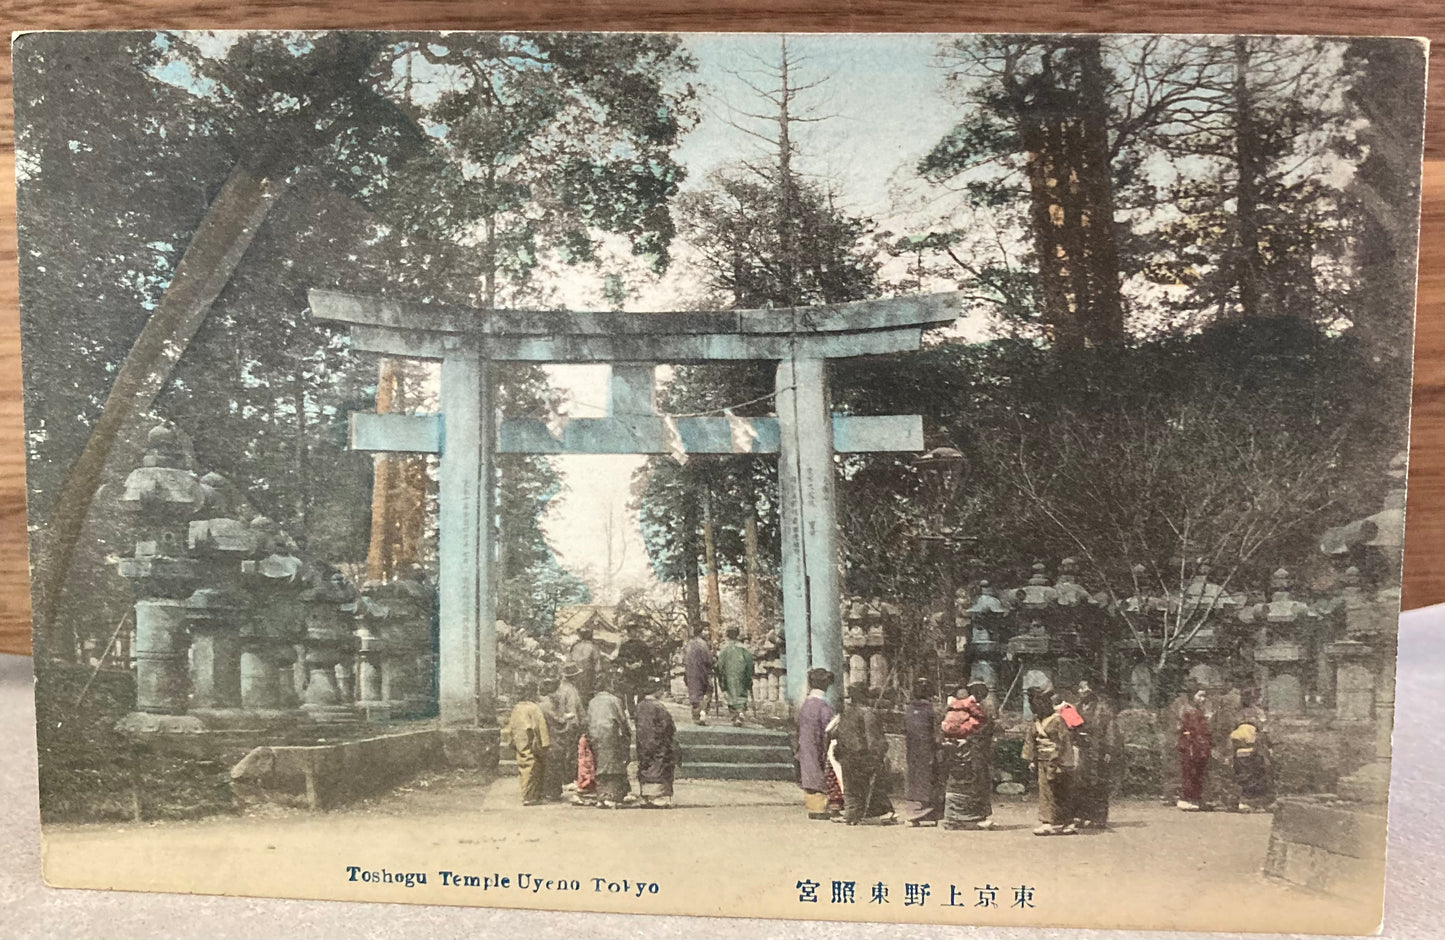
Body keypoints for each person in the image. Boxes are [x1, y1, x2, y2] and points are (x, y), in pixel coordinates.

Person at [834, 683, 896, 825]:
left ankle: (851, 815)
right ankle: (864, 814)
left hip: (846, 755)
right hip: (862, 756)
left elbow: (839, 734)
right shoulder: (867, 713)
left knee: (850, 789)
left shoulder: (846, 713)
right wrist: (879, 754)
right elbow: (873, 738)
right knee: (866, 787)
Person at [1022, 687, 1077, 835]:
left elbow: (1063, 742)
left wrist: (1059, 761)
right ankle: (1047, 821)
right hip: (1042, 759)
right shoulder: (1036, 721)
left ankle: (1067, 822)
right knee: (1045, 791)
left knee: (1060, 791)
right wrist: (1031, 759)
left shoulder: (1057, 720)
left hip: (1058, 760)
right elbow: (1030, 740)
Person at [940, 680, 995, 831]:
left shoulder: (953, 709)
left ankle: (952, 817)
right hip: (974, 752)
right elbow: (984, 730)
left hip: (955, 749)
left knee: (956, 782)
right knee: (975, 783)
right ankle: (974, 818)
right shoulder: (979, 710)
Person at [1074, 679, 1123, 829]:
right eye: (1080, 688)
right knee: (1081, 782)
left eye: (1085, 688)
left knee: (1099, 783)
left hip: (1098, 748)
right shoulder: (1077, 707)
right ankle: (1082, 815)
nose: (1081, 691)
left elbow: (1110, 729)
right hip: (1082, 748)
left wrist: (1109, 749)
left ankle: (1098, 817)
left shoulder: (1102, 708)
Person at [796, 667, 840, 820]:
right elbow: (830, 728)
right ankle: (824, 806)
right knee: (820, 772)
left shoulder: (806, 705)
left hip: (806, 742)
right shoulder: (823, 706)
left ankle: (815, 806)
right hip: (819, 743)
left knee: (810, 771)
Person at [585, 673, 632, 808]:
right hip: (611, 734)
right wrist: (627, 735)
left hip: (595, 734)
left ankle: (601, 795)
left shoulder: (593, 701)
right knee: (613, 765)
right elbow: (622, 720)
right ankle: (611, 796)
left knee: (600, 764)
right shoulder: (615, 700)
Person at [902, 678, 943, 826]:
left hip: (913, 751)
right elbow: (938, 732)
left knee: (915, 781)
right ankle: (926, 814)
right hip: (927, 751)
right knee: (929, 781)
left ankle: (916, 813)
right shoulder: (932, 710)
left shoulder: (909, 709)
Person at [635, 676, 679, 808]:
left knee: (645, 766)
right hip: (658, 743)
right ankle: (657, 796)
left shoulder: (640, 706)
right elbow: (667, 726)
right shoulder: (658, 707)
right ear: (657, 691)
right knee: (660, 766)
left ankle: (646, 795)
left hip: (643, 742)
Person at [505, 681, 551, 806]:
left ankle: (526, 794)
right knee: (533, 767)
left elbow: (511, 727)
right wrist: (545, 744)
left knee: (523, 767)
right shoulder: (533, 708)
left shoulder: (517, 708)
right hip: (532, 740)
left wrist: (511, 740)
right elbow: (540, 727)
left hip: (520, 740)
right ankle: (530, 796)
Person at [1230, 689, 1273, 812]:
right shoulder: (1257, 713)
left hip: (1241, 748)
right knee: (1254, 774)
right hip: (1254, 747)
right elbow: (1264, 731)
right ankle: (1250, 801)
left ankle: (1246, 801)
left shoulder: (1239, 713)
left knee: (1245, 774)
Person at [550, 663, 586, 793]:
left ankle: (565, 778)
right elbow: (573, 710)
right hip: (570, 724)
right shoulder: (571, 690)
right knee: (571, 753)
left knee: (565, 752)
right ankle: (569, 779)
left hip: (561, 723)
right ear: (574, 677)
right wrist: (580, 723)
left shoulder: (560, 689)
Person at [1177, 687, 1214, 811]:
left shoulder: (1200, 712)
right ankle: (1187, 798)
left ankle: (1196, 798)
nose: (1203, 699)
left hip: (1199, 745)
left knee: (1198, 772)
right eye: (1200, 696)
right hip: (1191, 745)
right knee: (1191, 771)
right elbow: (1195, 730)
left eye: (1204, 696)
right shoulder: (1190, 711)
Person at [536, 675, 569, 802]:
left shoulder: (546, 704)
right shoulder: (547, 706)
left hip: (550, 738)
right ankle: (551, 792)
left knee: (552, 766)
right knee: (552, 766)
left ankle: (550, 791)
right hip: (551, 739)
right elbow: (557, 721)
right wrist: (565, 719)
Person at [614, 619, 656, 717]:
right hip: (629, 672)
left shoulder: (642, 645)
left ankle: (640, 710)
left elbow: (648, 658)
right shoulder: (624, 646)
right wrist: (627, 664)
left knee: (641, 691)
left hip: (640, 671)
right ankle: (632, 712)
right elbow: (620, 658)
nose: (634, 633)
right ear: (628, 633)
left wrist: (641, 664)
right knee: (629, 693)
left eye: (636, 631)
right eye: (632, 631)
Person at [715, 626, 755, 727]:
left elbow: (720, 665)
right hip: (742, 674)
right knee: (741, 693)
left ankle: (735, 716)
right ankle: (741, 711)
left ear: (727, 635)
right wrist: (749, 675)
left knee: (730, 695)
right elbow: (750, 663)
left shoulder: (724, 649)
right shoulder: (744, 648)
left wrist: (719, 674)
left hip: (728, 675)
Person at [682, 623, 715, 724]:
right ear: (700, 632)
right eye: (705, 630)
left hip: (690, 672)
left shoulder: (689, 644)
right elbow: (708, 660)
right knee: (708, 690)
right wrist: (714, 659)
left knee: (694, 693)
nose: (707, 632)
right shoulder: (702, 644)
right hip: (702, 671)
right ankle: (703, 712)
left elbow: (684, 659)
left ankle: (696, 715)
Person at [566, 626, 604, 706]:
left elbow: (568, 661)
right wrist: (598, 676)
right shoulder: (593, 647)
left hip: (575, 674)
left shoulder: (575, 646)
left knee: (576, 694)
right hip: (587, 675)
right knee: (587, 695)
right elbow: (598, 664)